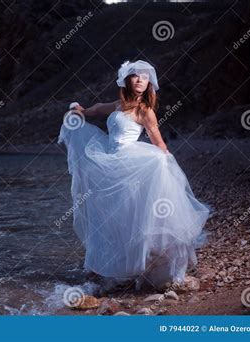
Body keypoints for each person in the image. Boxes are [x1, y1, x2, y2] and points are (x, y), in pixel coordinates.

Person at [58, 60, 214, 290]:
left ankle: (143, 264)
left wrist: (166, 162)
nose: (141, 79)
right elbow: (97, 108)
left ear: (149, 83)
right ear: (126, 80)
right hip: (109, 159)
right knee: (113, 215)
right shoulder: (118, 104)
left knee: (136, 213)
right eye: (135, 76)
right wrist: (81, 110)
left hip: (132, 161)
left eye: (145, 77)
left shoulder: (145, 110)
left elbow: (157, 141)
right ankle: (119, 266)